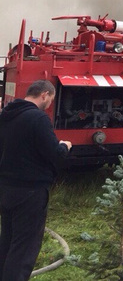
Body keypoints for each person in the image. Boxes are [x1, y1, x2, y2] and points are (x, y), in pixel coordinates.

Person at [0, 80, 71, 280]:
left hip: (6, 188)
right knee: (24, 248)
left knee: (8, 241)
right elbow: (54, 154)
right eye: (51, 100)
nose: (49, 104)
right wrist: (65, 146)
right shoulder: (38, 118)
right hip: (31, 192)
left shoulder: (6, 115)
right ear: (45, 95)